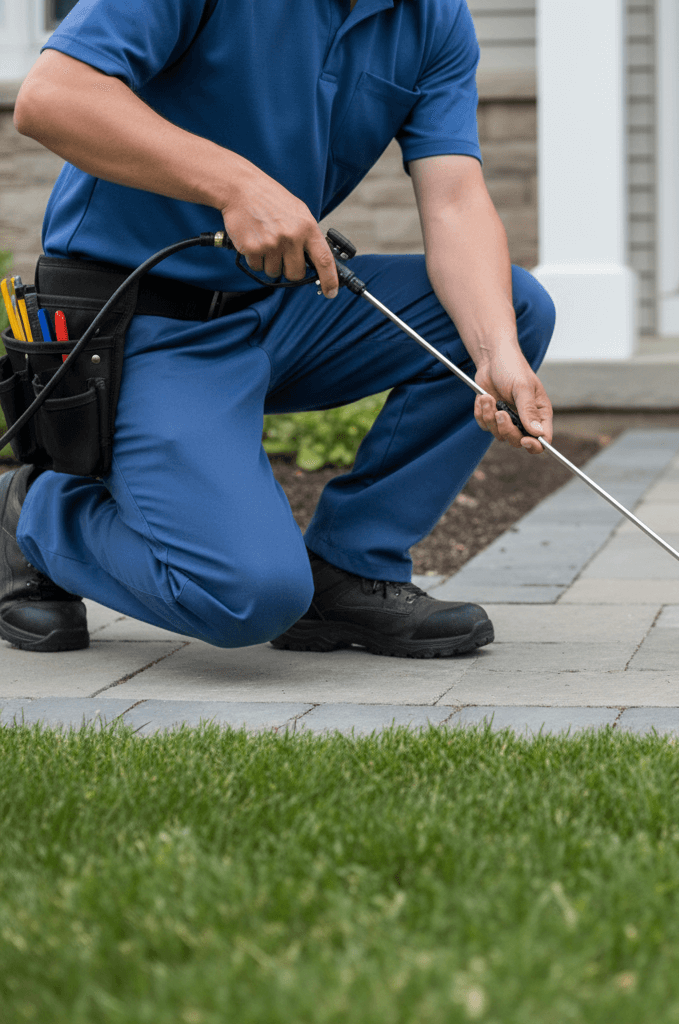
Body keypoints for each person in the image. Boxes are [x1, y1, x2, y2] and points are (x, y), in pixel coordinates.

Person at [0, 0, 555, 657]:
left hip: (279, 305)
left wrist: (497, 354)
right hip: (143, 317)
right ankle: (30, 511)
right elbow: (52, 97)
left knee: (510, 309)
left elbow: (456, 199)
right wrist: (236, 186)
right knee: (244, 596)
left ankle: (349, 568)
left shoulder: (434, 18)